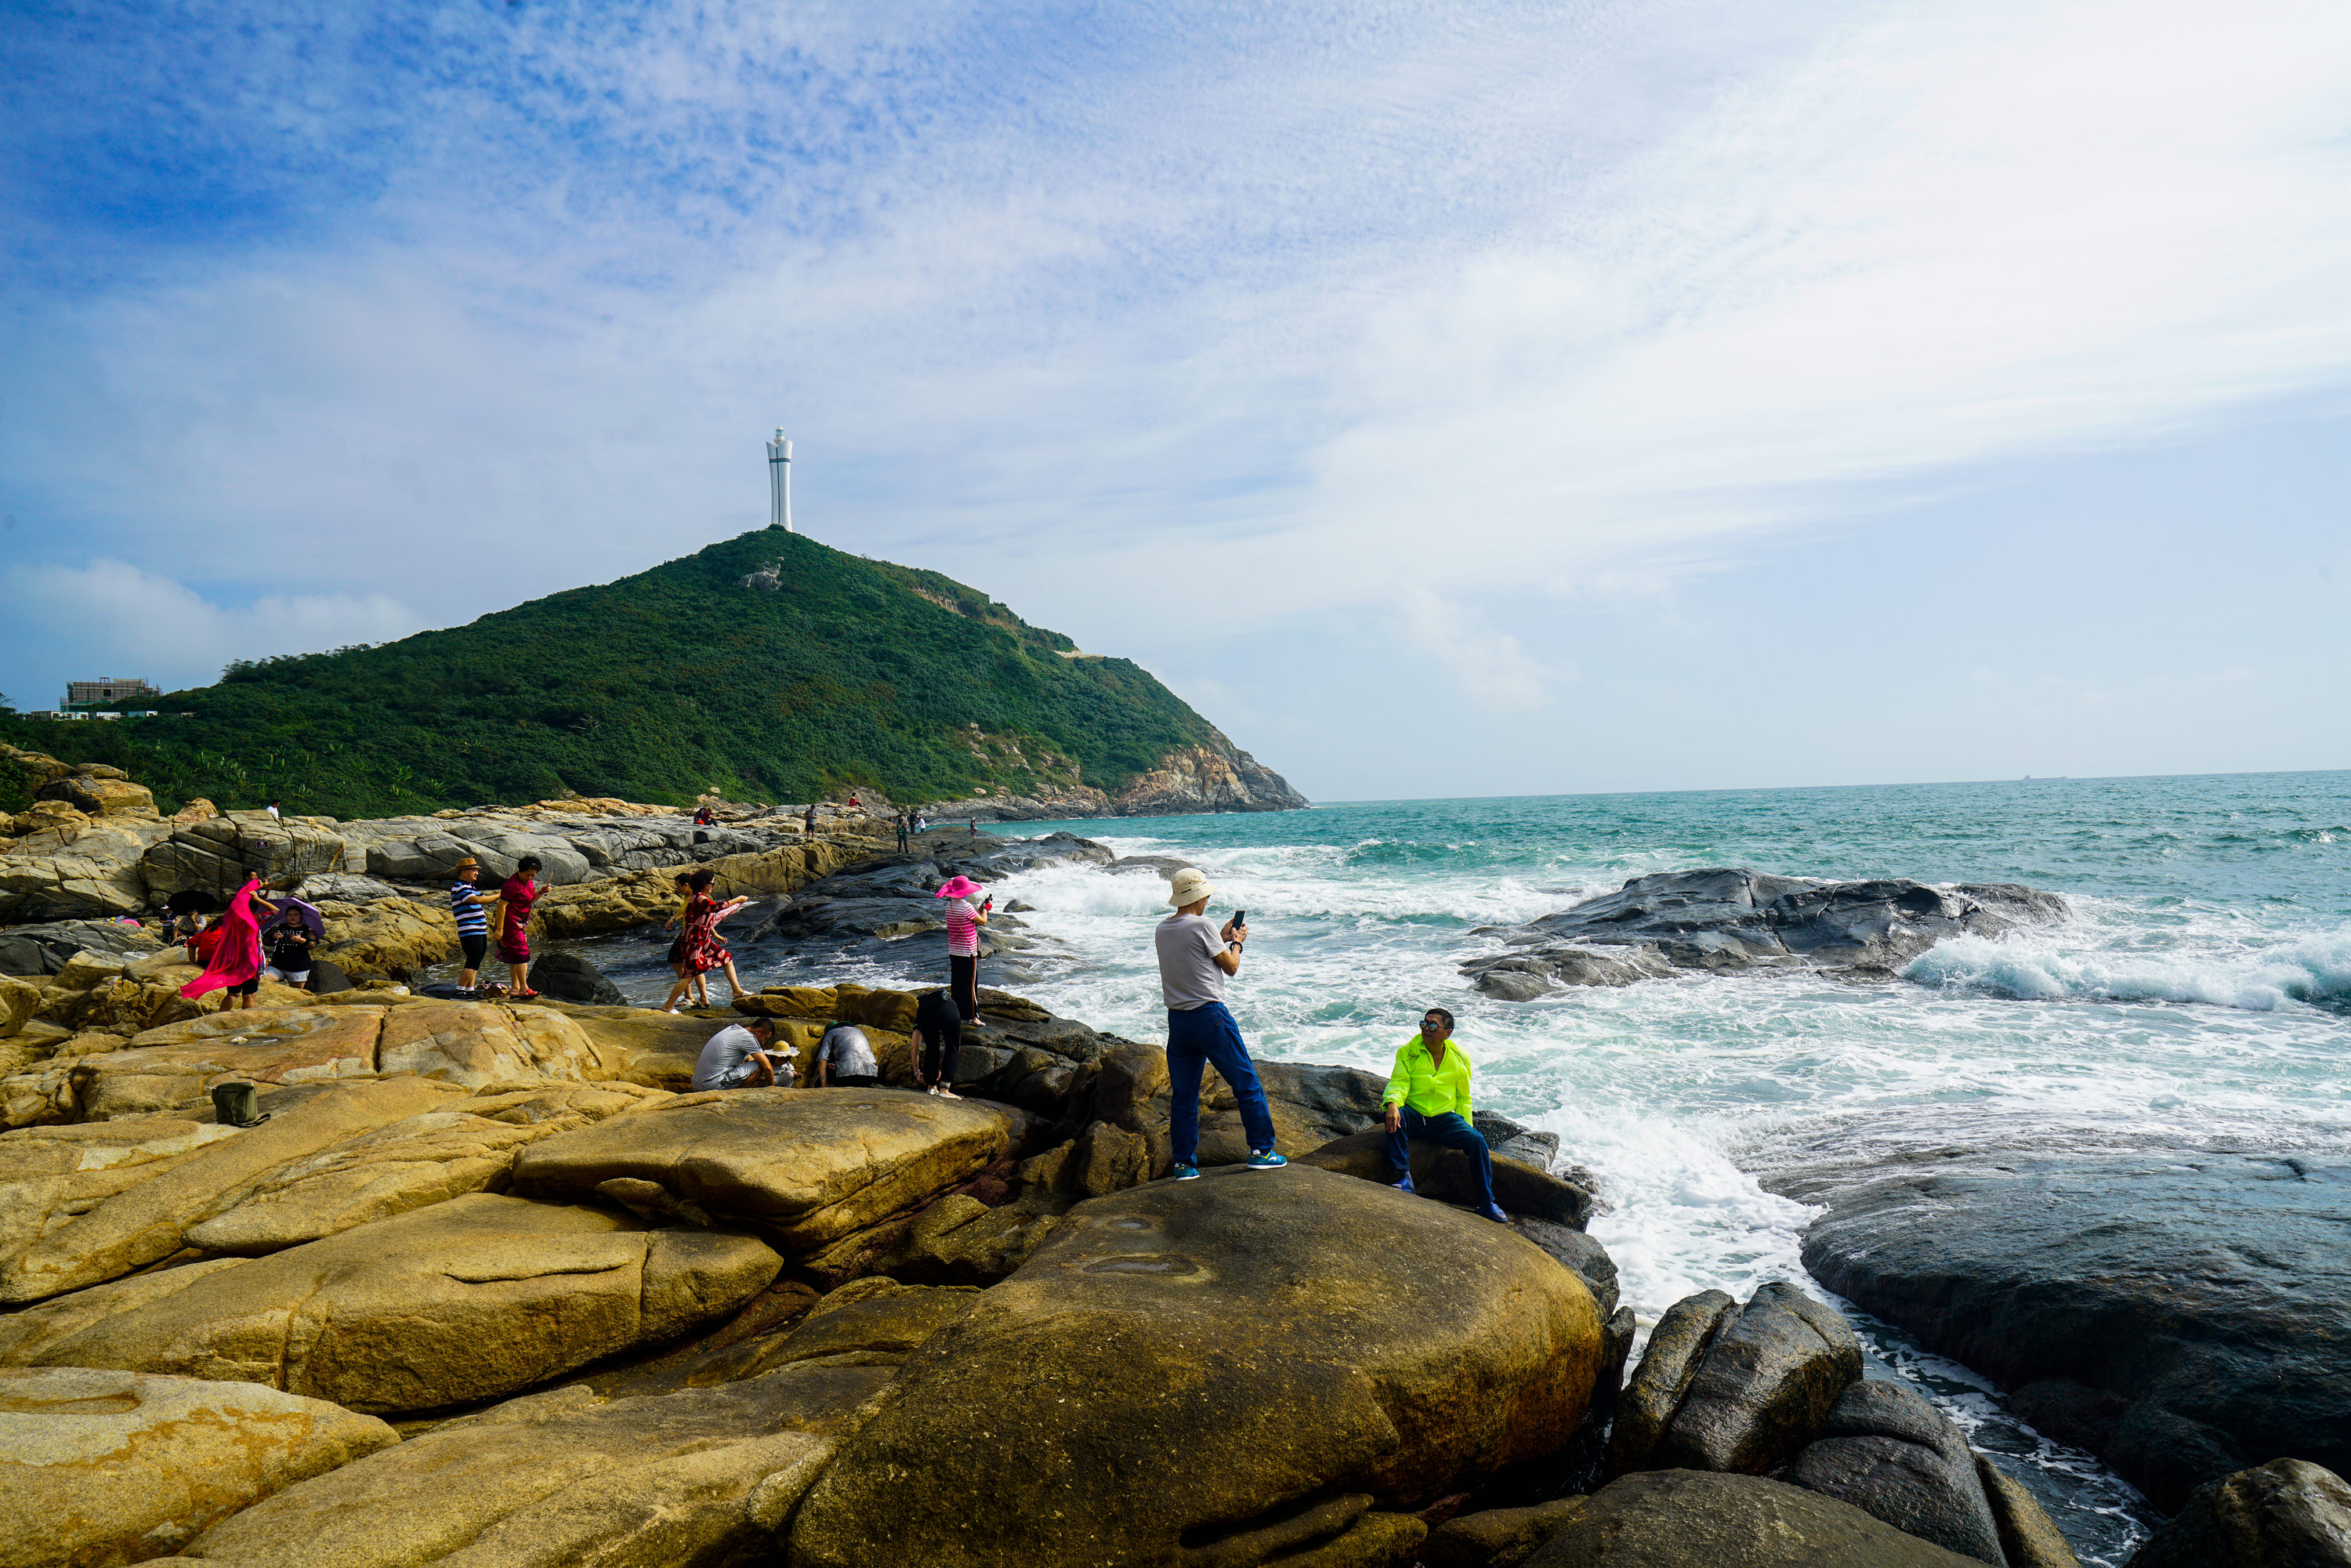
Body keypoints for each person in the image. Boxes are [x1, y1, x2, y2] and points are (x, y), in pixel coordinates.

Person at [1154, 867, 1284, 1180]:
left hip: (1179, 1022)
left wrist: (1221, 937)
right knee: (1246, 1083)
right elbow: (1231, 967)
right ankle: (1261, 1151)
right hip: (1210, 1017)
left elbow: (1192, 953)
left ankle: (1184, 1164)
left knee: (1184, 1097)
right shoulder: (1203, 925)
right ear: (1202, 896)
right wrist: (1236, 942)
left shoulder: (1163, 928)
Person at [1382, 1007, 1506, 1222]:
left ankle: (1486, 1202)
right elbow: (1399, 1082)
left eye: (1432, 1025)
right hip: (1415, 1113)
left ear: (1447, 1033)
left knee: (1477, 1141)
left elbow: (1463, 1097)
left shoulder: (1460, 1058)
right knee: (1395, 1116)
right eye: (1424, 1023)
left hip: (1443, 1118)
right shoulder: (1408, 1052)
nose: (1426, 1029)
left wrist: (1467, 1127)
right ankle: (1405, 1179)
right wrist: (1392, 1103)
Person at [664, 867, 750, 1012]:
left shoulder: (699, 897)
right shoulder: (698, 898)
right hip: (694, 940)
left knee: (726, 958)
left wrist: (714, 933)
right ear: (704, 884)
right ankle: (668, 1006)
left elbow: (710, 917)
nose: (712, 886)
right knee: (689, 975)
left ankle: (737, 991)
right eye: (712, 883)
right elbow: (716, 907)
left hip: (703, 939)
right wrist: (737, 900)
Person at [179, 880, 270, 1012]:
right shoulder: (254, 920)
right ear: (254, 910)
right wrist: (258, 896)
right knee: (249, 995)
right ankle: (247, 1021)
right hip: (250, 962)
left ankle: (220, 1018)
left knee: (233, 994)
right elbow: (275, 911)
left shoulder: (230, 923)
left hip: (232, 963)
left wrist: (258, 886)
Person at [935, 875, 989, 1019]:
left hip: (954, 951)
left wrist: (979, 910)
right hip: (968, 951)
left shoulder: (949, 906)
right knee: (971, 985)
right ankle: (973, 1016)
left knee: (957, 984)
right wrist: (985, 909)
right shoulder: (966, 907)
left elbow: (968, 919)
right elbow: (982, 922)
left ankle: (957, 1013)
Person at [491, 856, 542, 999]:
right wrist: (500, 929)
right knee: (522, 955)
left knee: (514, 956)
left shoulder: (528, 883)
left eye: (533, 875)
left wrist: (541, 893)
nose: (530, 877)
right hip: (510, 924)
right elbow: (501, 906)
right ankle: (524, 988)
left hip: (520, 922)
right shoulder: (511, 885)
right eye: (528, 875)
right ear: (520, 871)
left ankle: (515, 988)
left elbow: (528, 901)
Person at [690, 1017, 788, 1091]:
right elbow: (766, 1067)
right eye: (765, 1038)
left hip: (696, 1084)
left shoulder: (732, 1029)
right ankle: (736, 1094)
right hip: (711, 1085)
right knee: (760, 1065)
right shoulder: (749, 1038)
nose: (763, 1042)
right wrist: (772, 1090)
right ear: (758, 1031)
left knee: (756, 1063)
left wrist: (762, 1078)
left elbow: (751, 1061)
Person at [449, 857, 493, 990]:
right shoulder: (460, 887)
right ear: (464, 872)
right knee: (472, 961)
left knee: (476, 962)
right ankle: (460, 991)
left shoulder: (470, 887)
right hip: (470, 930)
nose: (477, 873)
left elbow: (483, 897)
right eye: (474, 870)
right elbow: (476, 900)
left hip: (478, 930)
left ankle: (469, 991)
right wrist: (498, 896)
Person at [910, 987, 964, 1097]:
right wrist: (940, 1068)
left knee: (932, 1046)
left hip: (927, 1016)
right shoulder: (950, 1004)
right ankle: (944, 1089)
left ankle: (931, 1087)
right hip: (948, 1011)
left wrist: (917, 1072)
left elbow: (914, 1047)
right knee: (952, 1046)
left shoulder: (921, 1013)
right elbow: (954, 1046)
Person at [813, 1022, 882, 1088]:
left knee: (825, 1067)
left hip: (846, 1078)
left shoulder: (831, 1033)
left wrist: (823, 1085)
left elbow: (822, 1061)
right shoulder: (858, 1031)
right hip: (870, 1077)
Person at [264, 920, 314, 989]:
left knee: (297, 993)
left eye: (295, 915)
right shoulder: (280, 926)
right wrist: (273, 937)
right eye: (290, 915)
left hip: (299, 967)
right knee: (262, 980)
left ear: (300, 917)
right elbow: (266, 942)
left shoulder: (307, 929)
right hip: (278, 965)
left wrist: (301, 940)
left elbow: (312, 945)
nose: (293, 917)